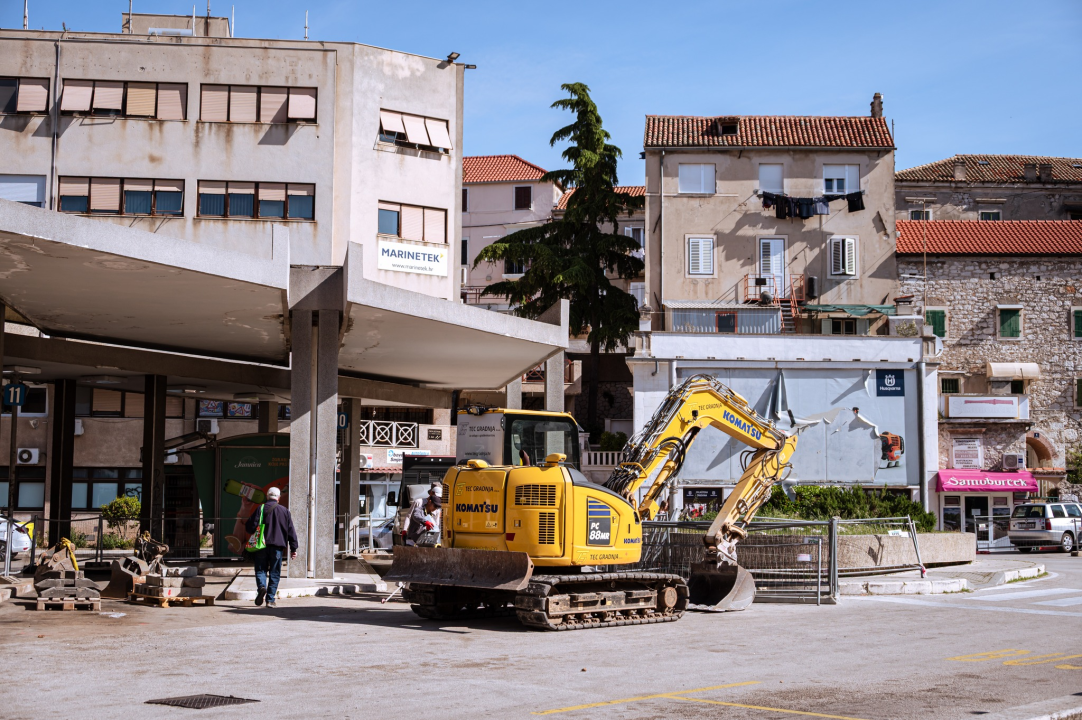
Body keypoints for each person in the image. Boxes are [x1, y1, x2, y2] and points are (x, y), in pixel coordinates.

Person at [245, 486, 298, 608]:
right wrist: (293, 548)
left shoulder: (261, 508)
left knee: (260, 569)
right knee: (275, 572)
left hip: (261, 546)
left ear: (267, 496)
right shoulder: (285, 511)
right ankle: (270, 600)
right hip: (277, 548)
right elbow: (291, 531)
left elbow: (249, 527)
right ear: (278, 498)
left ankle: (261, 587)